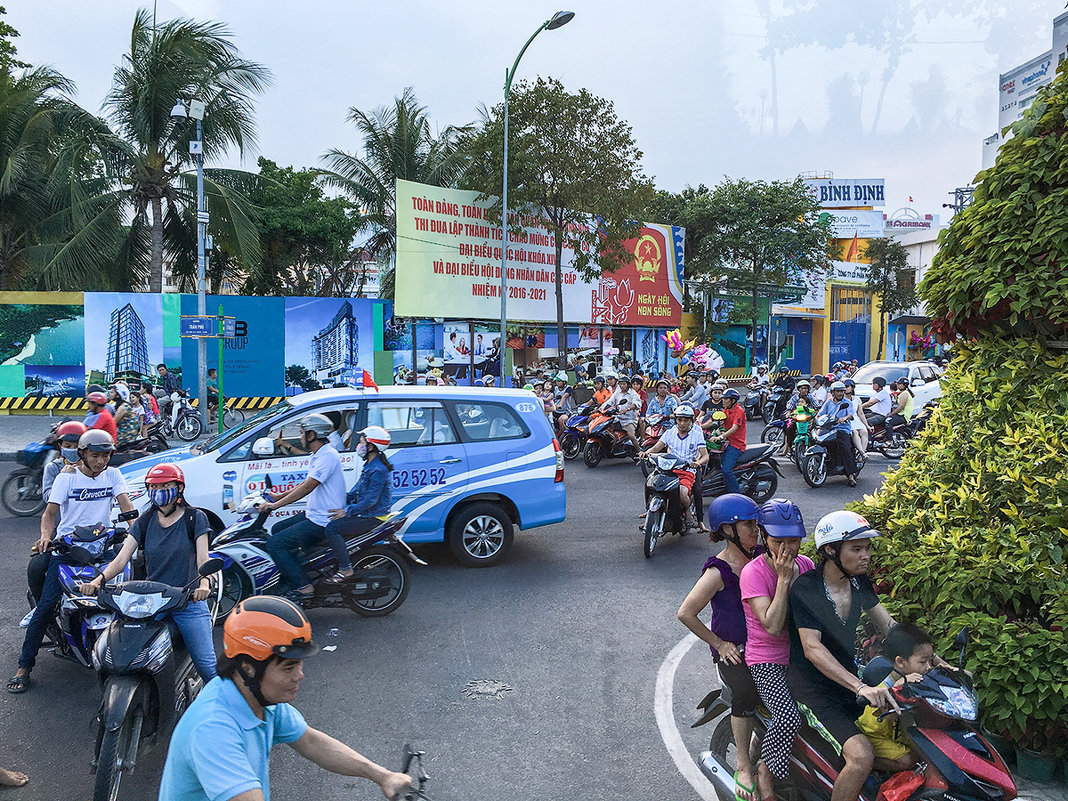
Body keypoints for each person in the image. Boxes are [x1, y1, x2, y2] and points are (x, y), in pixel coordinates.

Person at [157, 596, 412, 801]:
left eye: (300, 665)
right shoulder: (212, 728)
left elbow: (311, 742)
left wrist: (383, 776)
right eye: (289, 667)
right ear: (248, 666)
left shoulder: (260, 699)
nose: (300, 676)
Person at [787, 511, 958, 801]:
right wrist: (861, 687)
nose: (865, 555)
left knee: (909, 755)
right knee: (862, 756)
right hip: (813, 691)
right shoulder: (807, 589)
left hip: (850, 683)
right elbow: (812, 649)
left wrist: (938, 663)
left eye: (867, 548)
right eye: (856, 549)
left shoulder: (859, 582)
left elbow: (890, 627)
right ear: (830, 550)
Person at [8, 430, 134, 693]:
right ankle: (24, 666)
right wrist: (45, 537)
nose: (100, 461)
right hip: (67, 550)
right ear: (83, 454)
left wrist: (138, 532)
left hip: (104, 549)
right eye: (95, 455)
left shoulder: (113, 475)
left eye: (105, 456)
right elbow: (49, 514)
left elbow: (127, 507)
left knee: (127, 603)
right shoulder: (66, 479)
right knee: (44, 609)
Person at [79, 463, 217, 681]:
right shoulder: (145, 521)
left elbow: (203, 559)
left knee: (208, 668)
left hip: (187, 601)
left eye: (166, 485)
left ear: (179, 488)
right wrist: (96, 582)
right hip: (153, 601)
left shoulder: (195, 518)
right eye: (154, 487)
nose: (159, 491)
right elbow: (121, 560)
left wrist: (204, 585)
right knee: (123, 652)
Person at [677, 494, 763, 801]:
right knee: (746, 693)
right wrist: (720, 643)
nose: (756, 530)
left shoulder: (762, 556)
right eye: (748, 525)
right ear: (728, 530)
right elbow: (686, 613)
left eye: (756, 523)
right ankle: (743, 765)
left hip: (766, 645)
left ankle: (762, 747)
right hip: (736, 651)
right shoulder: (718, 571)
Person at [739, 499, 813, 800]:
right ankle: (764, 775)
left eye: (793, 541)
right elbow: (771, 625)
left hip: (802, 654)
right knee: (787, 717)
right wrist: (783, 579)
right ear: (765, 537)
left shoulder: (806, 566)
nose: (787, 549)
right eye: (778, 541)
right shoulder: (753, 573)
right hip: (767, 659)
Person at [259, 414, 347, 602]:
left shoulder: (328, 457)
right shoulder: (319, 454)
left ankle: (303, 585)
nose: (299, 438)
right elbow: (304, 484)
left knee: (274, 544)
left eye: (301, 433)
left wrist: (275, 505)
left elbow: (307, 488)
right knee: (276, 529)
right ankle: (298, 568)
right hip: (314, 514)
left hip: (323, 520)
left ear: (312, 435)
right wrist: (278, 496)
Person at [856, 622, 934, 773]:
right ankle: (871, 765)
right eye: (923, 661)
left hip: (895, 732)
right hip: (874, 734)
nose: (928, 666)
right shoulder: (884, 688)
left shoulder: (913, 677)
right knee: (908, 760)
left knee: (927, 750)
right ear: (900, 661)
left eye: (930, 660)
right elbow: (889, 717)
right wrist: (898, 689)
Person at [321, 427, 393, 584]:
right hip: (366, 513)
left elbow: (370, 501)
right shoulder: (370, 465)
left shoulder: (378, 470)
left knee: (332, 528)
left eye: (361, 442)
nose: (358, 445)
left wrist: (346, 511)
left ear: (372, 446)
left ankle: (346, 568)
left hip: (373, 517)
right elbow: (357, 493)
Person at [28, 421, 87, 605]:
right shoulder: (53, 468)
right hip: (61, 531)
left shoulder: (91, 467)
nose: (72, 450)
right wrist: (63, 477)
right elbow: (48, 498)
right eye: (68, 446)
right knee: (36, 567)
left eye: (76, 447)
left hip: (89, 530)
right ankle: (39, 607)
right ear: (60, 447)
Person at [638, 405, 709, 531]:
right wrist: (646, 453)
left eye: (686, 420)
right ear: (676, 420)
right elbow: (656, 448)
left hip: (687, 470)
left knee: (683, 493)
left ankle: (689, 513)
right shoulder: (670, 433)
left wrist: (697, 463)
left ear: (691, 420)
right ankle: (650, 512)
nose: (682, 423)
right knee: (650, 483)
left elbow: (705, 456)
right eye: (679, 420)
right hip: (669, 469)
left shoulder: (696, 434)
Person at [818, 381, 858, 487]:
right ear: (832, 392)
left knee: (845, 448)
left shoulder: (847, 402)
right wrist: (816, 419)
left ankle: (850, 476)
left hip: (842, 429)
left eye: (841, 391)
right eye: (837, 391)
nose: (840, 393)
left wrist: (844, 418)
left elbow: (851, 414)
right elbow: (820, 414)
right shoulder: (828, 402)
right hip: (829, 428)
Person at [711, 388, 746, 494]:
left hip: (735, 445)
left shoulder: (739, 411)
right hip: (726, 442)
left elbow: (734, 428)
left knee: (726, 470)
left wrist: (721, 437)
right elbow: (720, 423)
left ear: (733, 401)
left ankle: (736, 494)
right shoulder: (725, 410)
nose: (723, 400)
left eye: (726, 399)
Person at [601, 374, 641, 451]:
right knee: (605, 430)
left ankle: (639, 452)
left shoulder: (632, 393)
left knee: (631, 435)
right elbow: (610, 401)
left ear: (628, 385)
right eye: (620, 384)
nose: (622, 386)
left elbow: (636, 404)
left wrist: (627, 409)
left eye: (624, 384)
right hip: (618, 418)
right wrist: (601, 408)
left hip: (629, 419)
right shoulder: (617, 393)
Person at [113, 383, 143, 447]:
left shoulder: (123, 407)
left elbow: (113, 422)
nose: (109, 394)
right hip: (125, 434)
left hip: (125, 436)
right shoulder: (121, 405)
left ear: (118, 395)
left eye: (112, 392)